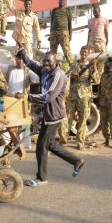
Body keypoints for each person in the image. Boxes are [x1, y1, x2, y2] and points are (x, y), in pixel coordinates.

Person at [15, 48, 85, 186]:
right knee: (50, 144)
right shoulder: (44, 71)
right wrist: (23, 53)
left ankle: (41, 178)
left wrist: (26, 97)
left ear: (56, 62)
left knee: (41, 147)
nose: (45, 64)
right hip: (47, 115)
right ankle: (76, 161)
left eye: (49, 61)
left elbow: (49, 96)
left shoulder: (58, 75)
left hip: (53, 116)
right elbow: (32, 64)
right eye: (44, 61)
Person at [0, 47, 39, 148]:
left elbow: (37, 78)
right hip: (10, 101)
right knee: (10, 122)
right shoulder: (9, 68)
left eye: (21, 59)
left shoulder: (28, 71)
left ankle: (23, 144)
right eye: (17, 59)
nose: (19, 61)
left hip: (22, 101)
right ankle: (12, 142)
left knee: (23, 123)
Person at [66, 46, 100, 150]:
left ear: (88, 54)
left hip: (84, 96)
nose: (84, 54)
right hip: (72, 95)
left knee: (82, 119)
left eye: (86, 52)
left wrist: (94, 67)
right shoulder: (74, 65)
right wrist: (72, 76)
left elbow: (97, 81)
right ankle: (63, 140)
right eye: (82, 52)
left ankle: (80, 142)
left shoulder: (90, 66)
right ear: (80, 52)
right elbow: (66, 76)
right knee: (67, 118)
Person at [98, 57, 112, 149]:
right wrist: (98, 100)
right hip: (103, 101)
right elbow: (100, 88)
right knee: (103, 122)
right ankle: (106, 139)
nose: (105, 66)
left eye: (107, 64)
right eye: (105, 64)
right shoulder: (103, 75)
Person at [50, 0, 74, 65]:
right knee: (52, 51)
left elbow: (70, 24)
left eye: (64, 0)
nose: (62, 1)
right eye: (61, 0)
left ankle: (73, 66)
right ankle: (52, 66)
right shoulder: (54, 10)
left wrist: (70, 35)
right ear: (59, 1)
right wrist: (50, 33)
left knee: (66, 50)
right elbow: (52, 22)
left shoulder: (67, 11)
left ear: (65, 2)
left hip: (63, 33)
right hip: (54, 33)